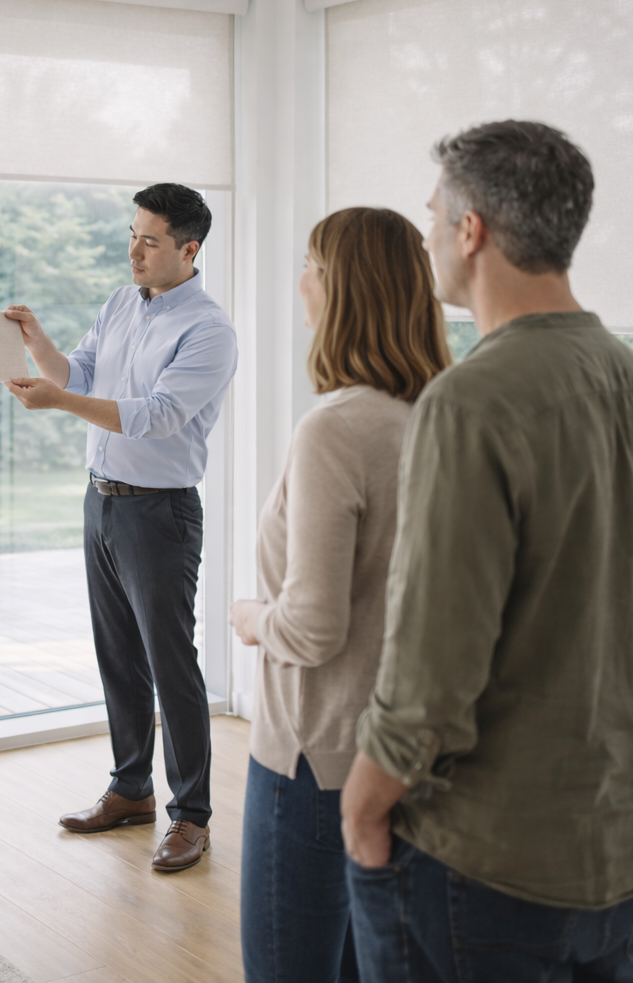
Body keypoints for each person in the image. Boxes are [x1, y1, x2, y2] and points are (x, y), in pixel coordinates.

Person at [340, 120, 633, 981]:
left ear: (472, 231)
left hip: (491, 858)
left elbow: (432, 660)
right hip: (629, 840)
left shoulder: (469, 401)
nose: (425, 239)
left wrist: (363, 804)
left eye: (432, 218)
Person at [229, 208, 451, 982]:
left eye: (312, 268)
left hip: (313, 764)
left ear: (342, 292)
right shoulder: (439, 420)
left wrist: (251, 620)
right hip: (410, 757)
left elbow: (314, 627)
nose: (300, 284)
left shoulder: (336, 429)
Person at [3, 182, 237, 872]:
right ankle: (130, 789)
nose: (133, 249)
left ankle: (190, 815)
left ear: (188, 249)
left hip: (159, 511)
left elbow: (157, 414)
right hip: (102, 500)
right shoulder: (119, 304)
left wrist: (61, 403)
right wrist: (36, 341)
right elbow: (78, 371)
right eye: (132, 234)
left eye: (150, 240)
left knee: (171, 664)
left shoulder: (209, 330)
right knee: (118, 655)